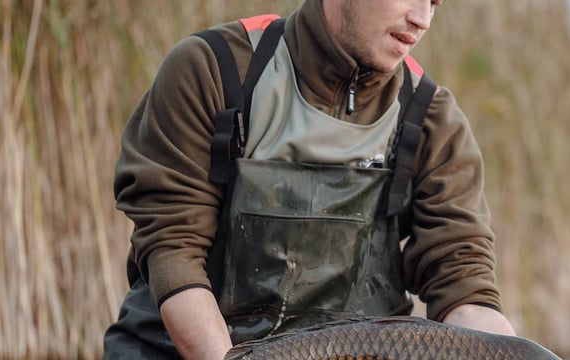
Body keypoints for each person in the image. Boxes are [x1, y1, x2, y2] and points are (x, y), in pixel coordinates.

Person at [103, 0, 516, 358]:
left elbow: (465, 284)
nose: (422, 18)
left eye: (435, 3)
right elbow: (173, 251)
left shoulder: (432, 118)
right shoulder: (213, 70)